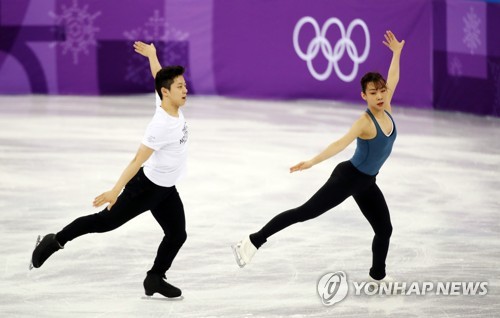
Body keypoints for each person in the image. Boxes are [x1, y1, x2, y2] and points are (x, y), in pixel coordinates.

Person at [232, 30, 405, 281]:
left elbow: (394, 77)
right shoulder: (364, 123)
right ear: (363, 96)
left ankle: (378, 276)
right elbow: (339, 144)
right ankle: (252, 241)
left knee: (384, 229)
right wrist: (312, 161)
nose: (379, 96)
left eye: (381, 91)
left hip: (367, 182)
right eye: (372, 92)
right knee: (305, 212)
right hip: (348, 177)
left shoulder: (387, 108)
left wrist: (397, 53)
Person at [30, 41, 189, 298]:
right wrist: (116, 190)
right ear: (166, 92)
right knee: (104, 223)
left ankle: (155, 278)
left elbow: (158, 75)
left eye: (184, 85)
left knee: (177, 234)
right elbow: (137, 160)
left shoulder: (168, 103)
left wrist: (153, 55)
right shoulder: (160, 125)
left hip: (166, 189)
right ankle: (55, 241)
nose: (185, 90)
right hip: (145, 188)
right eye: (180, 86)